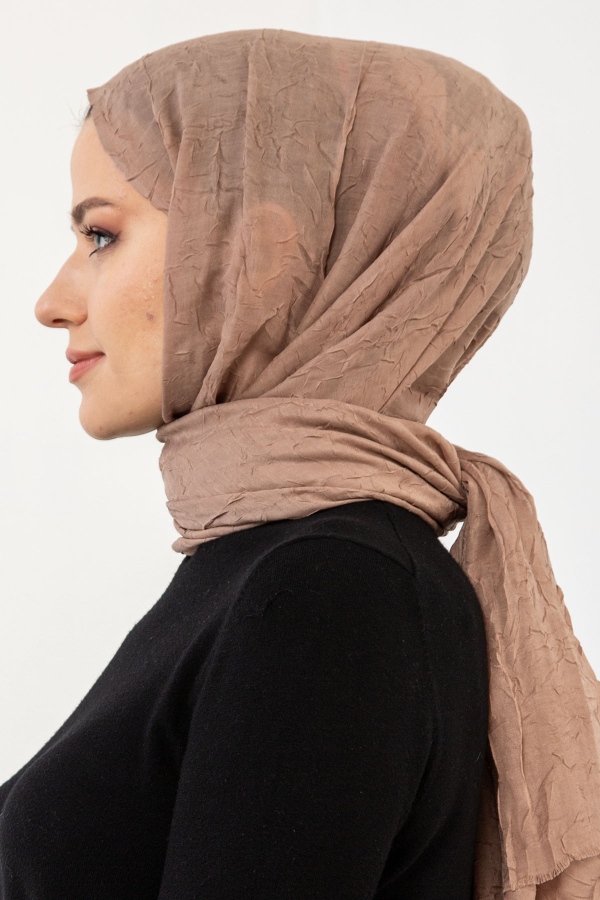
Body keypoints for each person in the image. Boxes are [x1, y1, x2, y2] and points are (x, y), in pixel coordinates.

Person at [1, 28, 598, 900]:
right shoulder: (269, 564)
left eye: (100, 235)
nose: (52, 303)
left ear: (259, 258)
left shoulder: (329, 589)